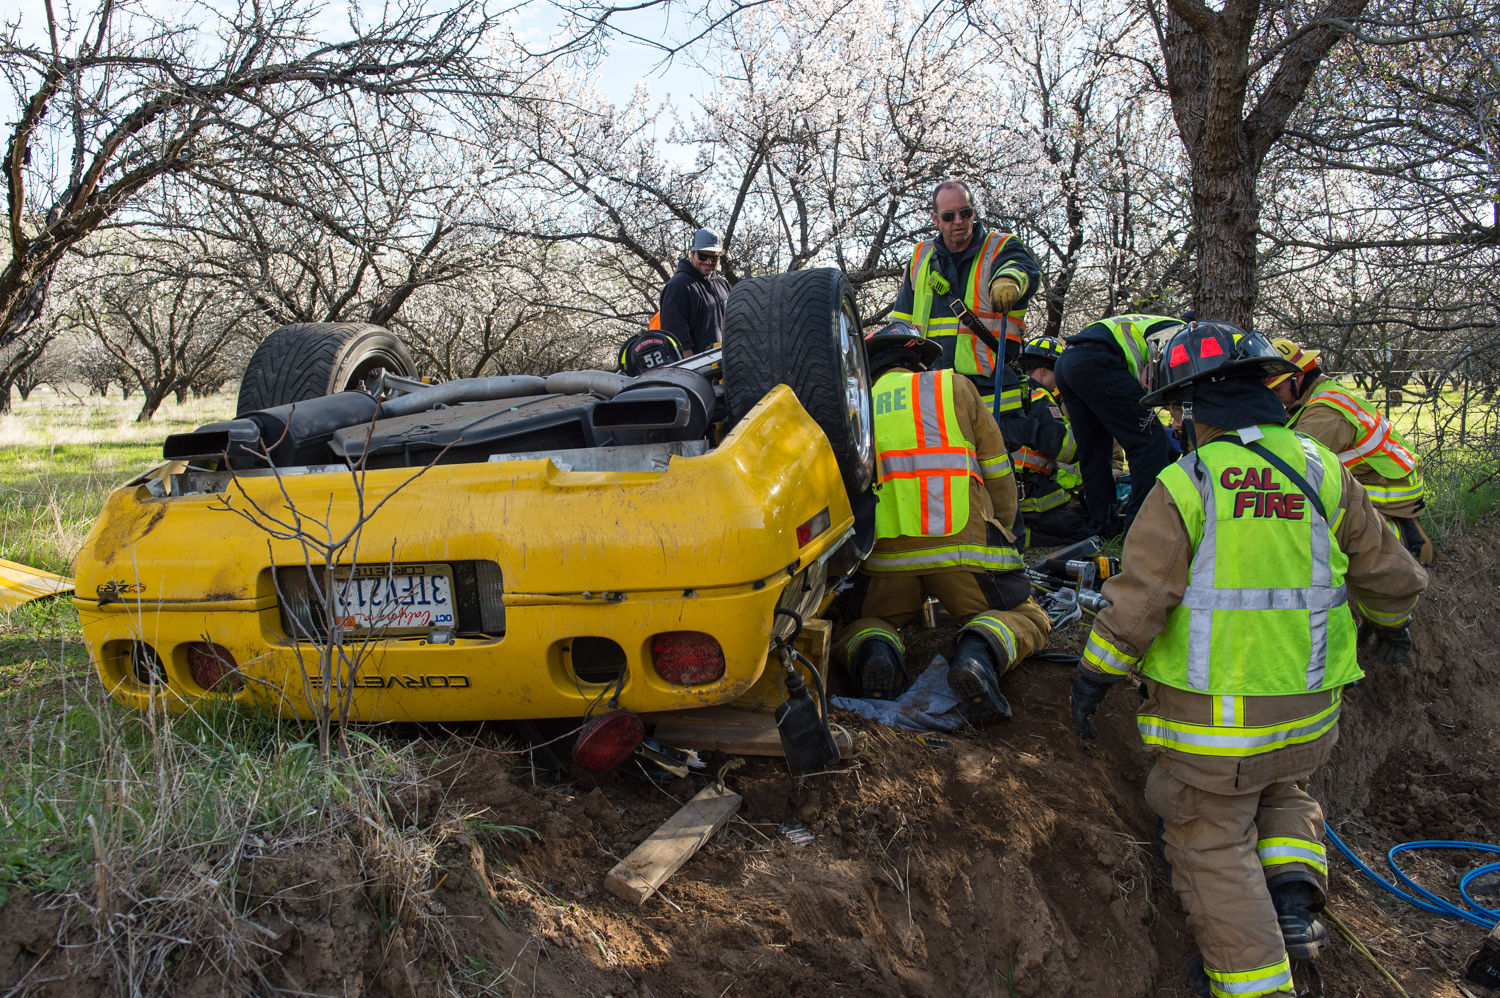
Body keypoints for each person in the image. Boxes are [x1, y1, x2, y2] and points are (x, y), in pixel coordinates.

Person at [1068, 321, 1428, 998]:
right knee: (1284, 789)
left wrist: (1094, 677)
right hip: (1311, 719)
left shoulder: (1186, 482)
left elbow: (1139, 604)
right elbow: (1388, 572)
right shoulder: (1323, 469)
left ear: (1190, 409)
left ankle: (1256, 985)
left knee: (1206, 835)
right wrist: (1392, 626)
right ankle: (1293, 894)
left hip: (1216, 732)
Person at [837, 320, 1051, 719]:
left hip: (886, 562)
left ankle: (875, 650)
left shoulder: (854, 410)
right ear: (919, 359)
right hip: (965, 553)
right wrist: (1004, 530)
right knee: (1030, 618)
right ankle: (978, 652)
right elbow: (999, 474)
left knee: (866, 620)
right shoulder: (954, 387)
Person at [1267, 338, 1432, 564]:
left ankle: (1397, 544)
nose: (1274, 396)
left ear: (1299, 376)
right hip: (1387, 475)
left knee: (1323, 507)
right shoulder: (1319, 394)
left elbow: (1292, 461)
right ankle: (1397, 524)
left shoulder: (1324, 414)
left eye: (1277, 389)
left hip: (1393, 486)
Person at [890, 181, 1041, 413]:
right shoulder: (921, 257)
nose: (958, 221)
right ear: (935, 219)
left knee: (998, 450)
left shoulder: (1000, 246)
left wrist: (1008, 280)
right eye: (949, 216)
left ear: (974, 211)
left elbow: (1021, 267)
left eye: (965, 212)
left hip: (993, 389)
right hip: (933, 387)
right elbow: (901, 322)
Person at [1053, 313, 1182, 537]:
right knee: (1149, 442)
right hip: (1098, 361)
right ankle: (1141, 530)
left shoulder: (1146, 323)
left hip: (1068, 362)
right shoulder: (1179, 331)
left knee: (1094, 451)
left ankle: (1102, 528)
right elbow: (1152, 380)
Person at [1012, 335, 1091, 546]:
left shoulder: (1012, 391)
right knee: (1086, 533)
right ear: (1045, 370)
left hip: (1012, 490)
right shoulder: (1038, 397)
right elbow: (1066, 450)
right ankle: (1024, 537)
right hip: (1033, 496)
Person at [658, 228, 731, 355]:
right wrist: (693, 372)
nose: (708, 262)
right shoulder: (678, 286)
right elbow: (678, 342)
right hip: (699, 369)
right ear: (692, 252)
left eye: (714, 258)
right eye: (703, 256)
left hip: (725, 366)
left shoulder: (722, 284)